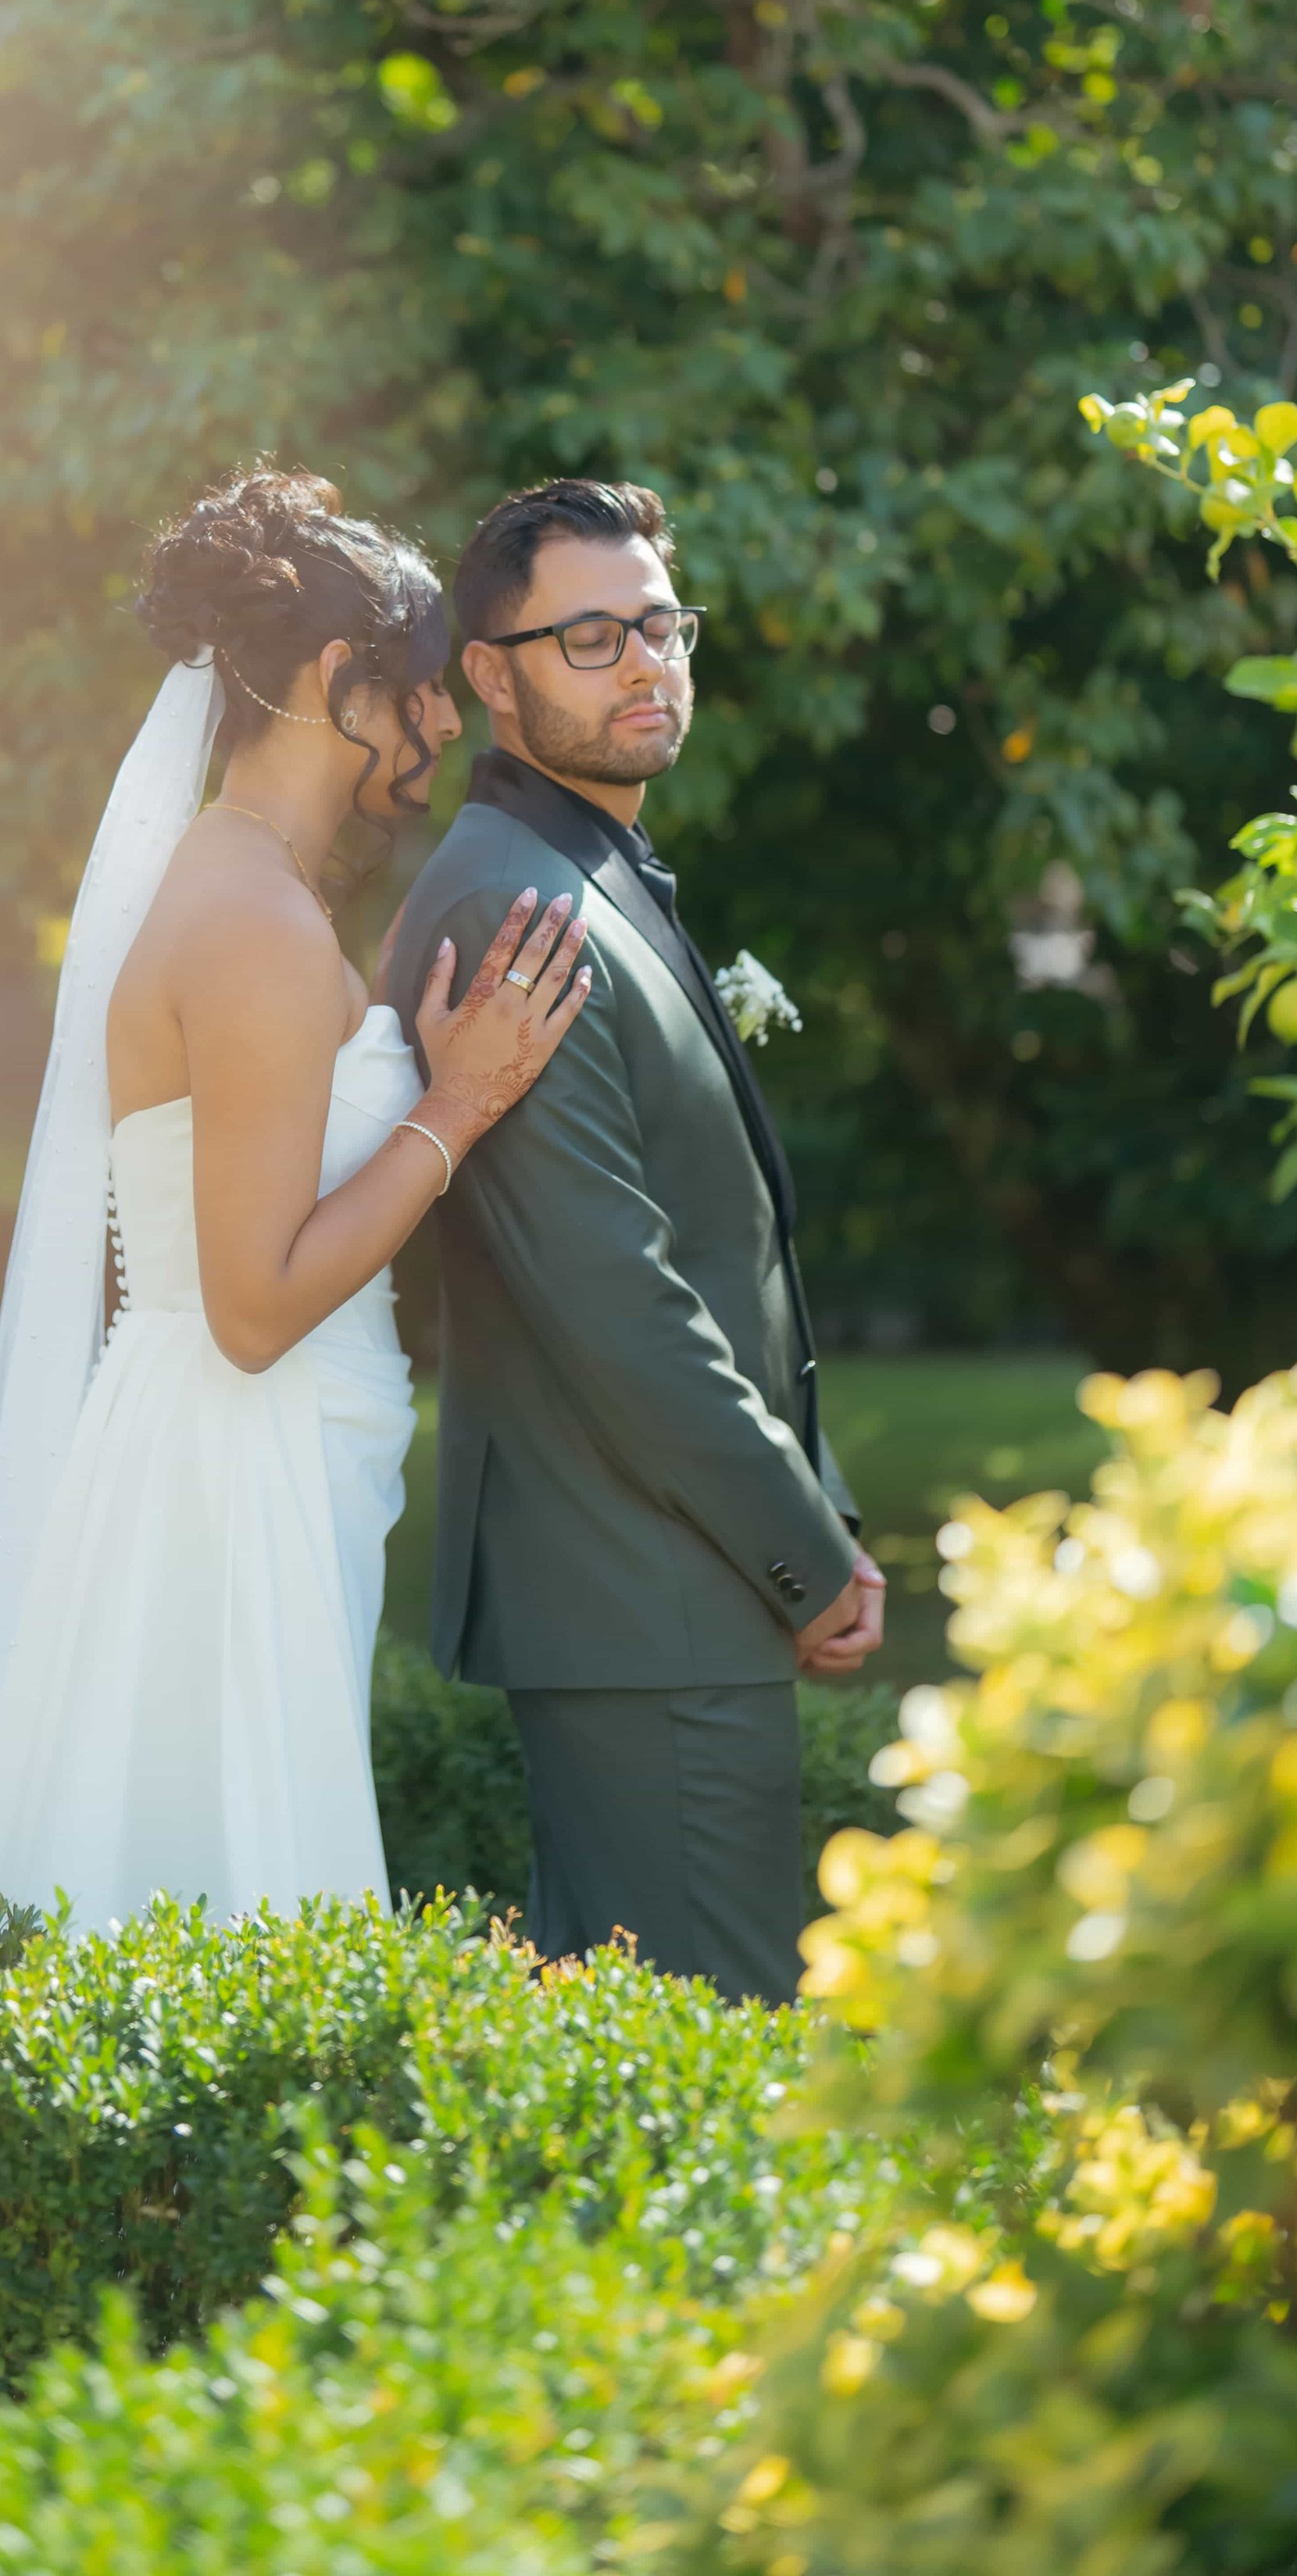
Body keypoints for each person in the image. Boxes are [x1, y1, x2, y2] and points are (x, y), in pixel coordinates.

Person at [0, 464, 590, 1922]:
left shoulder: (254, 894)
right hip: (231, 1469)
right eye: (422, 689)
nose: (446, 721)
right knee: (220, 1890)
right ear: (342, 682)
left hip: (246, 1454)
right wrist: (459, 1107)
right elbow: (256, 1304)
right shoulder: (257, 926)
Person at [387, 477, 884, 2003]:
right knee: (714, 2054)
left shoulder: (584, 872)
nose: (649, 662)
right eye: (591, 636)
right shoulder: (514, 911)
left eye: (662, 624)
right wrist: (804, 1547)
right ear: (491, 672)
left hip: (668, 1586)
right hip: (639, 1594)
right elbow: (619, 1303)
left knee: (671, 2039)